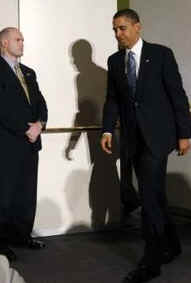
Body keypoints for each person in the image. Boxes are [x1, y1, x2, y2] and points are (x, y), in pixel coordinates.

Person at [101, 9, 191, 283]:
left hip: (158, 138)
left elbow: (177, 94)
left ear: (138, 27)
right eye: (114, 29)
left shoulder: (161, 54)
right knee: (155, 196)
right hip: (132, 138)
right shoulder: (115, 61)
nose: (118, 34)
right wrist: (107, 128)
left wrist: (185, 133)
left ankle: (151, 263)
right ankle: (173, 244)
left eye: (122, 28)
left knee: (149, 200)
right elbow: (113, 98)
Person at [0, 27, 48, 262]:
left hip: (31, 144)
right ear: (3, 43)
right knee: (4, 195)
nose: (22, 43)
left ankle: (22, 235)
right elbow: (3, 109)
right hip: (7, 145)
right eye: (17, 39)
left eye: (23, 39)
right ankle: (1, 244)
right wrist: (25, 129)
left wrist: (40, 124)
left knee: (27, 193)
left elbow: (41, 103)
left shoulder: (29, 72)